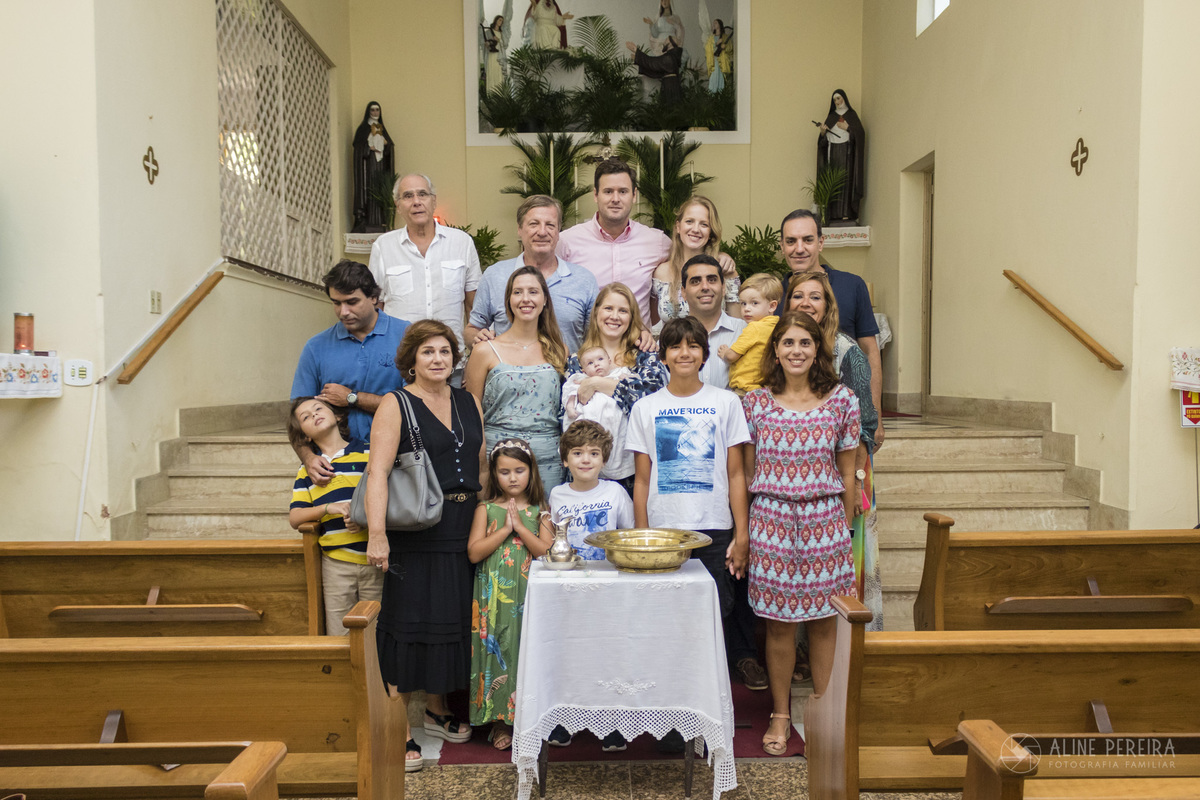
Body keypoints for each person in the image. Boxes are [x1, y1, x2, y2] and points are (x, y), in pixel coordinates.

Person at [363, 320, 486, 773]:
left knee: (451, 621)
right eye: (428, 352)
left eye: (445, 351)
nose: (438, 359)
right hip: (415, 532)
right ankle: (401, 728)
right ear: (411, 360)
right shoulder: (396, 404)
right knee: (410, 625)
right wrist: (377, 533)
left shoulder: (468, 400)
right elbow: (378, 473)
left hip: (461, 525)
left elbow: (481, 465)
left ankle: (437, 710)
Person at [742, 311, 860, 756]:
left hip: (824, 521)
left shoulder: (842, 400)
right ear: (775, 349)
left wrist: (843, 531)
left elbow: (847, 473)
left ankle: (823, 712)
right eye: (788, 343)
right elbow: (749, 473)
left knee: (824, 625)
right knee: (779, 627)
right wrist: (749, 531)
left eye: (805, 343)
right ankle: (780, 713)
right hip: (771, 519)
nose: (796, 351)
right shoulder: (754, 403)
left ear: (817, 350)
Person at [789, 269, 881, 632]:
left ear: (827, 306)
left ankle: (847, 649)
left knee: (845, 566)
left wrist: (855, 484)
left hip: (846, 478)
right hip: (799, 481)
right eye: (799, 296)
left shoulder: (846, 352)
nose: (806, 303)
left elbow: (865, 425)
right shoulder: (786, 345)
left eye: (815, 297)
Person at [546, 420, 636, 752]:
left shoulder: (615, 492)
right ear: (565, 458)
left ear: (605, 459)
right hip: (568, 590)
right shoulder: (556, 494)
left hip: (608, 590)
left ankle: (612, 724)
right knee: (571, 654)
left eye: (594, 453)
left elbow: (629, 536)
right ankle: (566, 720)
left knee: (608, 655)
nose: (586, 460)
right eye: (578, 453)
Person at [560, 160, 735, 322]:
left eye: (623, 191)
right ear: (596, 195)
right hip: (591, 348)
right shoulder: (567, 241)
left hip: (640, 348)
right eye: (608, 191)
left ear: (634, 195)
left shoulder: (657, 242)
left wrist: (719, 256)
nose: (615, 199)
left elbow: (688, 252)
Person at [467, 438, 554, 751]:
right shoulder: (485, 509)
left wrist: (520, 525)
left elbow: (546, 551)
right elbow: (474, 552)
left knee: (526, 649)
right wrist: (504, 530)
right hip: (493, 598)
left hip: (529, 594)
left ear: (531, 471)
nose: (513, 477)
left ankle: (531, 719)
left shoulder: (540, 511)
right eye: (505, 472)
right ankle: (499, 721)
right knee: (498, 649)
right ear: (494, 474)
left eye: (520, 470)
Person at [291, 260, 409, 486]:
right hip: (336, 471)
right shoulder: (316, 347)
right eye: (336, 303)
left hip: (398, 461)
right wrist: (308, 458)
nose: (343, 312)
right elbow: (296, 416)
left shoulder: (406, 336)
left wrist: (351, 398)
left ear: (374, 297)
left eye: (352, 302)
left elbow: (416, 408)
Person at [780, 209, 884, 447]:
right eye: (791, 241)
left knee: (853, 481)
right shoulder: (774, 293)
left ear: (821, 243)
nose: (799, 248)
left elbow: (870, 351)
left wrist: (875, 416)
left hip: (846, 424)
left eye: (807, 240)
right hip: (792, 427)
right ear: (782, 246)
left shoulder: (852, 285)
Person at [465, 265, 568, 490]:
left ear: (545, 300)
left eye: (533, 291)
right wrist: (482, 466)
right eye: (518, 292)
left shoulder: (560, 350)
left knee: (545, 524)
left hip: (548, 460)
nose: (525, 299)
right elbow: (472, 415)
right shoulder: (485, 351)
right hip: (499, 460)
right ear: (508, 300)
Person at [368, 174, 482, 377]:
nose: (416, 202)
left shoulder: (461, 243)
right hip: (400, 365)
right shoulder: (383, 246)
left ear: (434, 200)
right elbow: (377, 308)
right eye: (408, 196)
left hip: (452, 365)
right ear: (398, 205)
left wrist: (475, 359)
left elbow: (474, 307)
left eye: (423, 194)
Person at [286, 397, 380, 636]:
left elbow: (388, 497)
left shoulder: (370, 453)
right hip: (336, 564)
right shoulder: (308, 470)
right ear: (305, 436)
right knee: (340, 634)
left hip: (375, 560)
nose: (314, 414)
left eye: (318, 408)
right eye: (306, 417)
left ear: (338, 416)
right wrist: (328, 508)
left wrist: (365, 515)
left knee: (378, 633)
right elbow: (296, 517)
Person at [563, 283, 669, 489]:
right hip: (584, 470)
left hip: (632, 471)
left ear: (632, 318)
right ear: (596, 313)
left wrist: (596, 383)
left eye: (623, 311)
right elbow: (568, 412)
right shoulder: (577, 361)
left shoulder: (645, 357)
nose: (615, 316)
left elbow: (650, 400)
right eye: (608, 308)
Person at [467, 195, 597, 355]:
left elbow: (596, 337)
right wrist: (477, 338)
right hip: (509, 376)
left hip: (567, 376)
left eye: (550, 225)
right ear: (519, 229)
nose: (542, 232)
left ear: (558, 232)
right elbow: (472, 329)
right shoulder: (495, 275)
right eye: (534, 224)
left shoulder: (583, 280)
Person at [652, 196, 740, 323]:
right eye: (689, 221)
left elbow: (737, 325)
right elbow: (652, 323)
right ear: (678, 226)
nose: (695, 229)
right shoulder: (661, 272)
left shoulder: (723, 269)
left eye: (704, 224)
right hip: (670, 342)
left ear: (711, 232)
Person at [561, 346, 634, 479]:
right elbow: (568, 391)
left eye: (600, 359)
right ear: (584, 370)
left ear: (609, 361)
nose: (596, 364)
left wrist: (625, 378)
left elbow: (632, 385)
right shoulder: (579, 378)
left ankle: (613, 467)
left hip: (613, 421)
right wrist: (570, 406)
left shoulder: (619, 373)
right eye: (590, 363)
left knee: (616, 445)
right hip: (589, 422)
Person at [679, 254, 746, 391]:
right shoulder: (669, 338)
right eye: (695, 281)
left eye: (712, 280)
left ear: (723, 288)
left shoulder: (744, 331)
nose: (705, 287)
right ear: (684, 293)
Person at [718, 273, 782, 395]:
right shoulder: (777, 326)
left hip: (745, 389)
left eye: (754, 303)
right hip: (766, 388)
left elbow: (732, 356)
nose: (747, 308)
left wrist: (725, 353)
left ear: (772, 306)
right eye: (743, 303)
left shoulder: (755, 328)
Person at [817, 89, 866, 223]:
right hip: (832, 153)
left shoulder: (851, 115)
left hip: (847, 153)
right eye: (835, 100)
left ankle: (846, 213)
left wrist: (848, 128)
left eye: (839, 98)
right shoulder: (831, 117)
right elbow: (822, 143)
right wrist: (822, 133)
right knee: (833, 183)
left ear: (844, 98)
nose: (837, 102)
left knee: (846, 181)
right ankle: (832, 214)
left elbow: (860, 135)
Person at [351, 101, 394, 233]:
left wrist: (386, 145)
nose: (375, 112)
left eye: (377, 110)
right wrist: (368, 148)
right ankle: (366, 219)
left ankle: (379, 220)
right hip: (368, 166)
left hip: (380, 165)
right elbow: (358, 147)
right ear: (368, 112)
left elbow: (390, 146)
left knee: (379, 189)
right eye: (373, 110)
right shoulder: (363, 129)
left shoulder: (381, 128)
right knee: (369, 190)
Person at [626, 37, 683, 107]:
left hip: (670, 87)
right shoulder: (672, 57)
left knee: (670, 109)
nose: (664, 42)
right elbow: (655, 71)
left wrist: (636, 50)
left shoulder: (669, 58)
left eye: (666, 40)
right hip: (669, 84)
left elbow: (652, 62)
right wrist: (638, 59)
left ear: (671, 44)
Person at [704, 19, 733, 93]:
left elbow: (730, 48)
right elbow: (708, 48)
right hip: (714, 61)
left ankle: (721, 94)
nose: (714, 24)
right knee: (714, 76)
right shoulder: (711, 38)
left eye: (716, 23)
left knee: (721, 77)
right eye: (713, 23)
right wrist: (716, 44)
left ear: (720, 25)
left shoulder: (725, 37)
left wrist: (725, 47)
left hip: (722, 61)